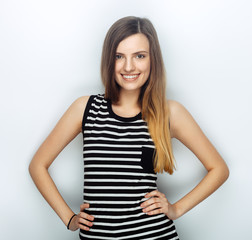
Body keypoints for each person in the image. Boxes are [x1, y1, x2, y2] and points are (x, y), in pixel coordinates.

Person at [29, 16, 229, 240]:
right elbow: (38, 165)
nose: (129, 66)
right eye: (119, 56)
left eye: (139, 56)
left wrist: (176, 209)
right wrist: (69, 219)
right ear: (109, 60)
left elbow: (219, 169)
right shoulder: (85, 109)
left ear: (153, 60)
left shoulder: (169, 113)